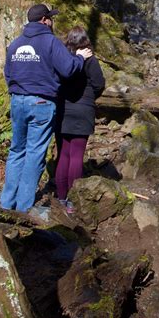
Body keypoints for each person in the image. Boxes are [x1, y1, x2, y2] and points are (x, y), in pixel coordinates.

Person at [0, 4, 92, 212]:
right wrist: (80, 58)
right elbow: (68, 69)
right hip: (41, 102)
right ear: (44, 20)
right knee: (34, 154)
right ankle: (23, 207)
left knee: (16, 151)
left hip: (17, 100)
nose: (52, 21)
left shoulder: (15, 44)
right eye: (50, 18)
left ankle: (6, 203)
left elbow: (8, 74)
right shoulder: (50, 42)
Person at [55, 26, 105, 213]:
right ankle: (73, 200)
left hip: (63, 108)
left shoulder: (63, 57)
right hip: (83, 109)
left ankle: (61, 198)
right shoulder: (90, 59)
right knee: (76, 155)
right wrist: (90, 96)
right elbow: (99, 83)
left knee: (64, 154)